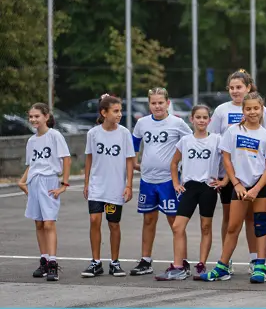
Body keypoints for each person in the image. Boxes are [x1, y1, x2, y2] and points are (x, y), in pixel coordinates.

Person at [200, 92, 266, 282]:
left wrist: (256, 189)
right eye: (248, 108)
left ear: (262, 110)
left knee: (260, 225)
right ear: (243, 110)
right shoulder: (233, 131)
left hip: (260, 186)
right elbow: (227, 159)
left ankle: (260, 267)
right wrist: (236, 184)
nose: (252, 112)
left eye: (256, 108)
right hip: (240, 186)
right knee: (233, 227)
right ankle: (222, 267)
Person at [209, 69, 266, 274]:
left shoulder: (264, 125)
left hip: (256, 181)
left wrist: (256, 187)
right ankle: (224, 263)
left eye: (239, 87)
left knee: (256, 221)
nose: (235, 91)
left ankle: (257, 262)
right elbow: (218, 146)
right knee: (231, 222)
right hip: (233, 179)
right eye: (232, 87)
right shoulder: (225, 116)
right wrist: (230, 180)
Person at [155, 105, 226, 280]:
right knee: (177, 226)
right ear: (191, 119)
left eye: (205, 117)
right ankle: (178, 266)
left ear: (209, 120)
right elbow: (174, 163)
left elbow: (229, 162)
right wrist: (176, 183)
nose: (201, 120)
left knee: (205, 227)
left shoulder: (217, 140)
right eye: (198, 117)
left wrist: (224, 181)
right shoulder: (185, 141)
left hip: (208, 188)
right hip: (190, 187)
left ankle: (201, 264)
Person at [129, 87, 192, 276]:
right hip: (147, 180)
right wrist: (135, 163)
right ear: (149, 104)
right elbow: (134, 144)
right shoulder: (142, 123)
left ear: (168, 103)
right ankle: (146, 260)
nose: (157, 106)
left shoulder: (177, 123)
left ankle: (182, 262)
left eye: (160, 103)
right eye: (154, 103)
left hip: (169, 181)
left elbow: (191, 144)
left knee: (175, 222)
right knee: (148, 219)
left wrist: (184, 168)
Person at [81, 95, 135, 277]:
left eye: (120, 111)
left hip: (115, 188)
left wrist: (128, 185)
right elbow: (89, 158)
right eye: (116, 111)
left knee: (113, 224)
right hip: (97, 186)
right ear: (104, 113)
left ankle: (115, 262)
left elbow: (129, 160)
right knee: (94, 220)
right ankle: (95, 262)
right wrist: (86, 182)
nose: (119, 114)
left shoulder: (124, 133)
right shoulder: (93, 133)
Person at [18, 103, 71, 281]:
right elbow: (32, 164)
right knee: (39, 223)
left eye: (37, 116)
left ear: (46, 117)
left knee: (49, 223)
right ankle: (44, 260)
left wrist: (64, 184)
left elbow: (66, 159)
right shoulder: (31, 141)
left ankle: (53, 263)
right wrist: (23, 181)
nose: (33, 119)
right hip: (34, 181)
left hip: (49, 181)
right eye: (31, 116)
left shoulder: (55, 136)